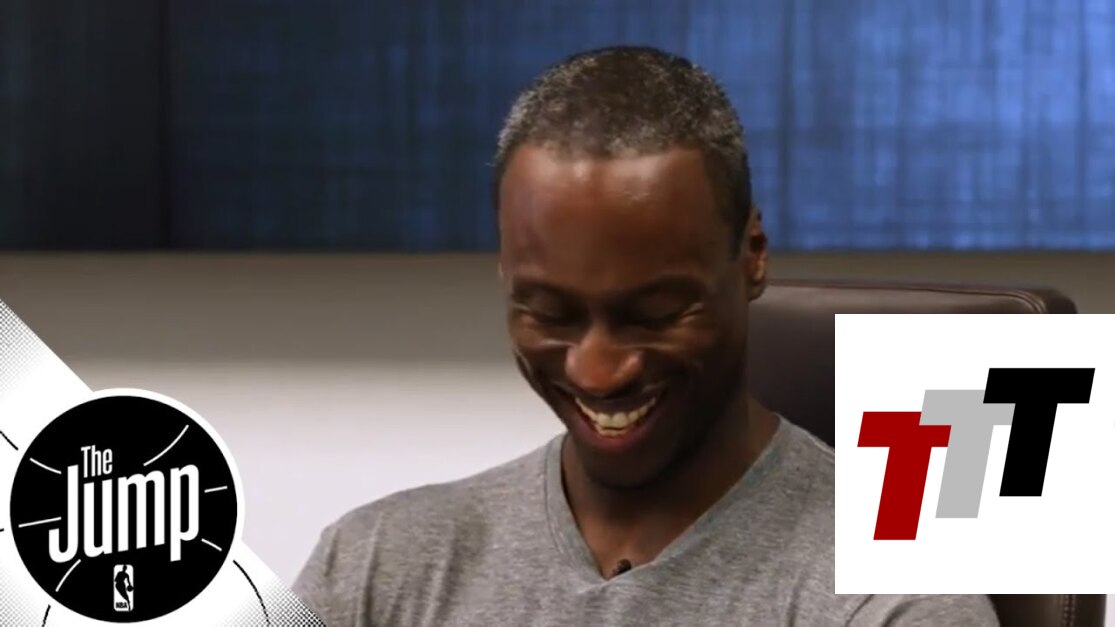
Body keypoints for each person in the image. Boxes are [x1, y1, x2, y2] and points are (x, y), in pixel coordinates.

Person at [293, 46, 999, 626]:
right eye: (551, 314)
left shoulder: (897, 593)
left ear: (752, 255)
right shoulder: (372, 564)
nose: (598, 372)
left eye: (654, 314)